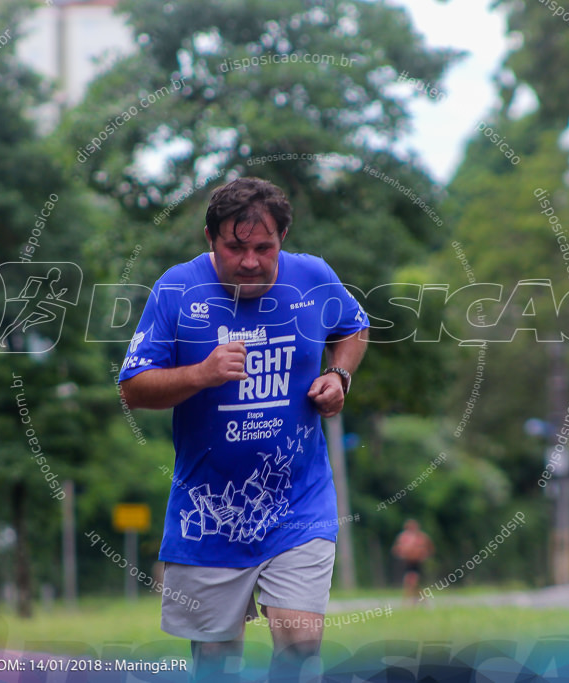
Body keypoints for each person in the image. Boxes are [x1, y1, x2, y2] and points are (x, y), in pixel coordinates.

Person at [119, 177, 368, 681]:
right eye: (236, 247)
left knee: (300, 646)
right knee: (215, 664)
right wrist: (201, 373)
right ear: (209, 240)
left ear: (282, 242)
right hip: (208, 513)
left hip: (298, 502)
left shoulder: (313, 278)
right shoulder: (176, 291)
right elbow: (133, 388)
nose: (251, 260)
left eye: (264, 247)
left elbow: (354, 326)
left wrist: (339, 375)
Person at [392, 520, 433, 605]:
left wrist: (424, 555)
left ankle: (407, 603)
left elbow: (430, 548)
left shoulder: (421, 537)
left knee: (411, 581)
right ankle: (423, 601)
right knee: (412, 583)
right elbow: (396, 549)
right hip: (407, 562)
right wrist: (401, 553)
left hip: (417, 563)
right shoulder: (403, 537)